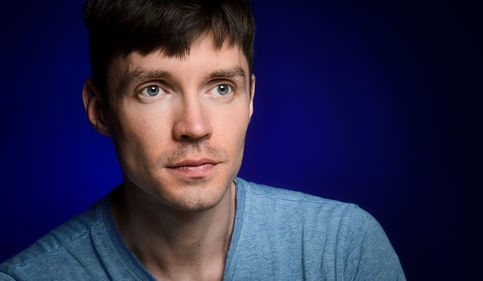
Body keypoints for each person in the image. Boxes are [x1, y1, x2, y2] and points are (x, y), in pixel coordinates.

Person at [0, 0, 405, 280]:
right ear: (100, 108)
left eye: (221, 87)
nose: (194, 126)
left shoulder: (341, 250)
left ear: (251, 98)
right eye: (154, 89)